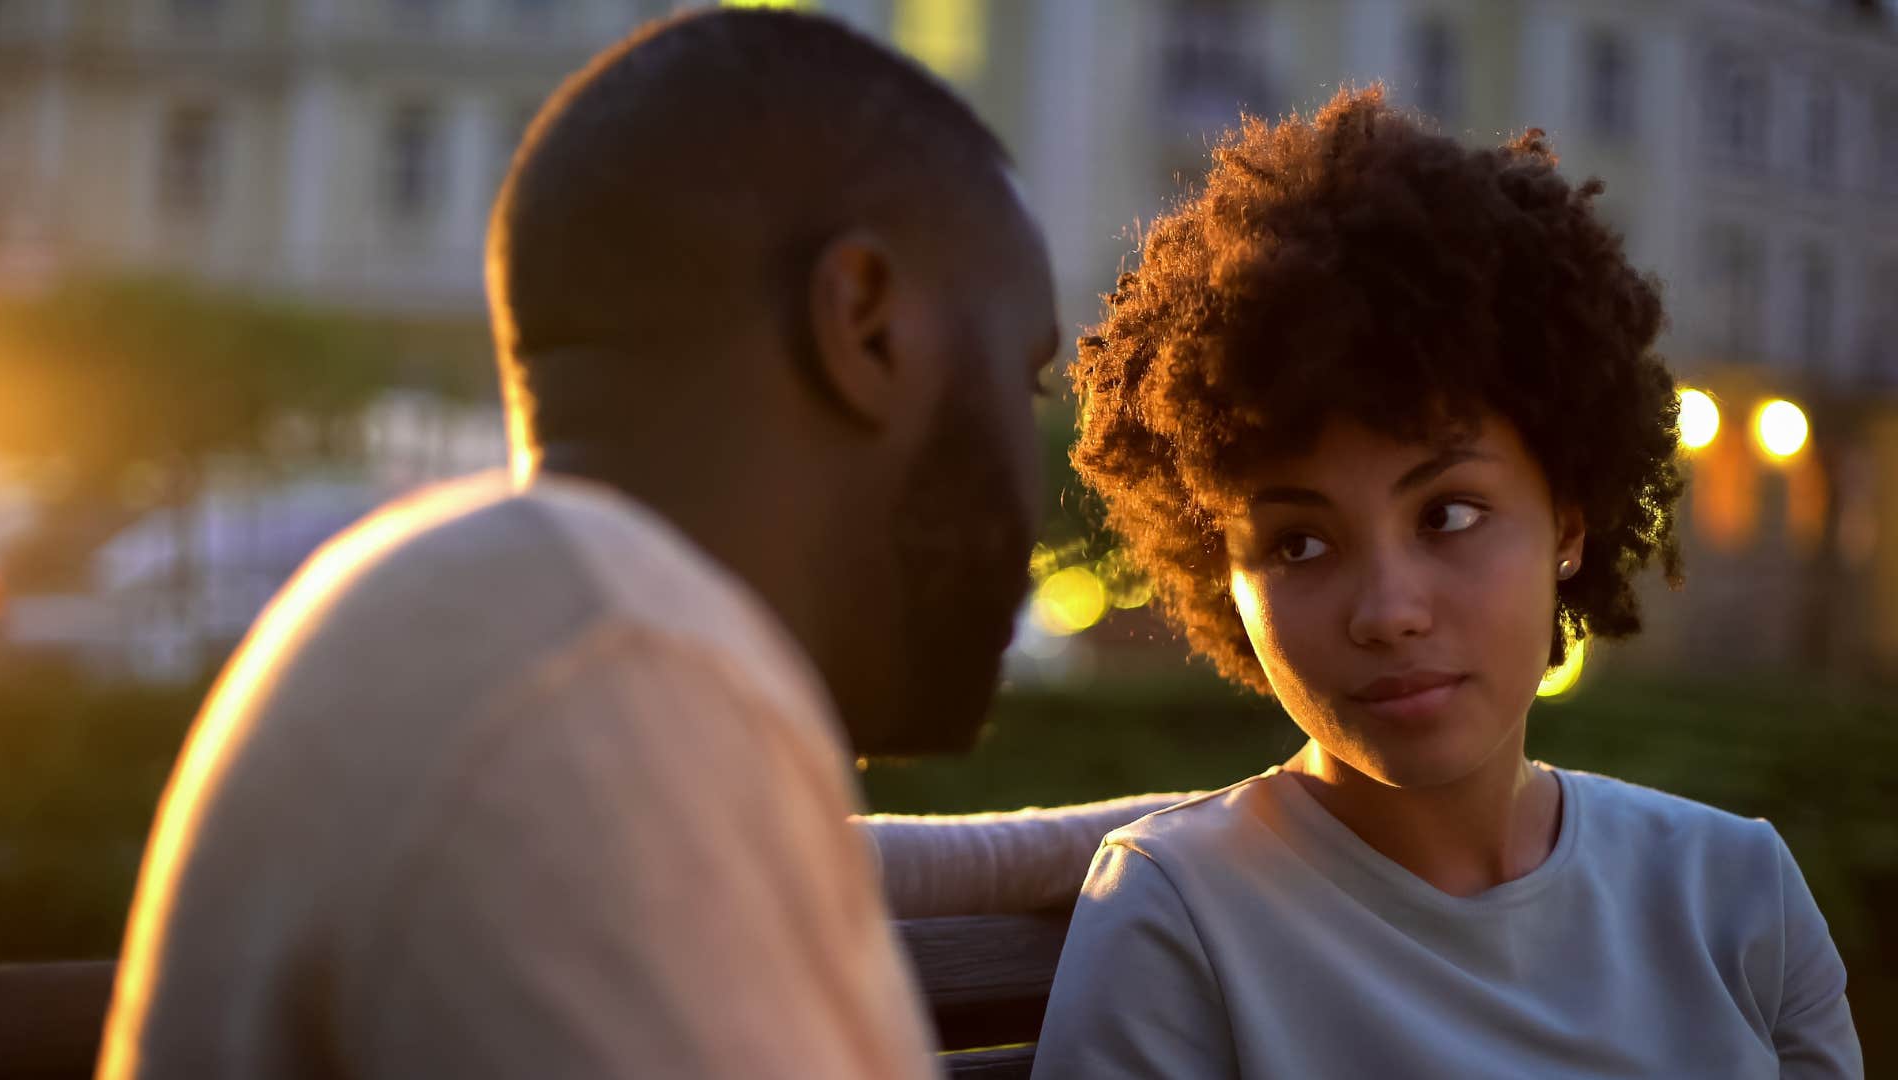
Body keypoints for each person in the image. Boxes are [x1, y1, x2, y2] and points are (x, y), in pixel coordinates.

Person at [97, 10, 1059, 1079]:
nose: (1039, 473)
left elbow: (840, 858)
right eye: (1023, 378)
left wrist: (1215, 824)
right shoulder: (613, 673)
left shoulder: (498, 615)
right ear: (868, 324)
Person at [1028, 87, 1864, 1078]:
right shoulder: (1179, 917)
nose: (1389, 611)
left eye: (1449, 514)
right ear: (1222, 574)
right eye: (1297, 543)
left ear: (1567, 521)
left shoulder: (1737, 894)